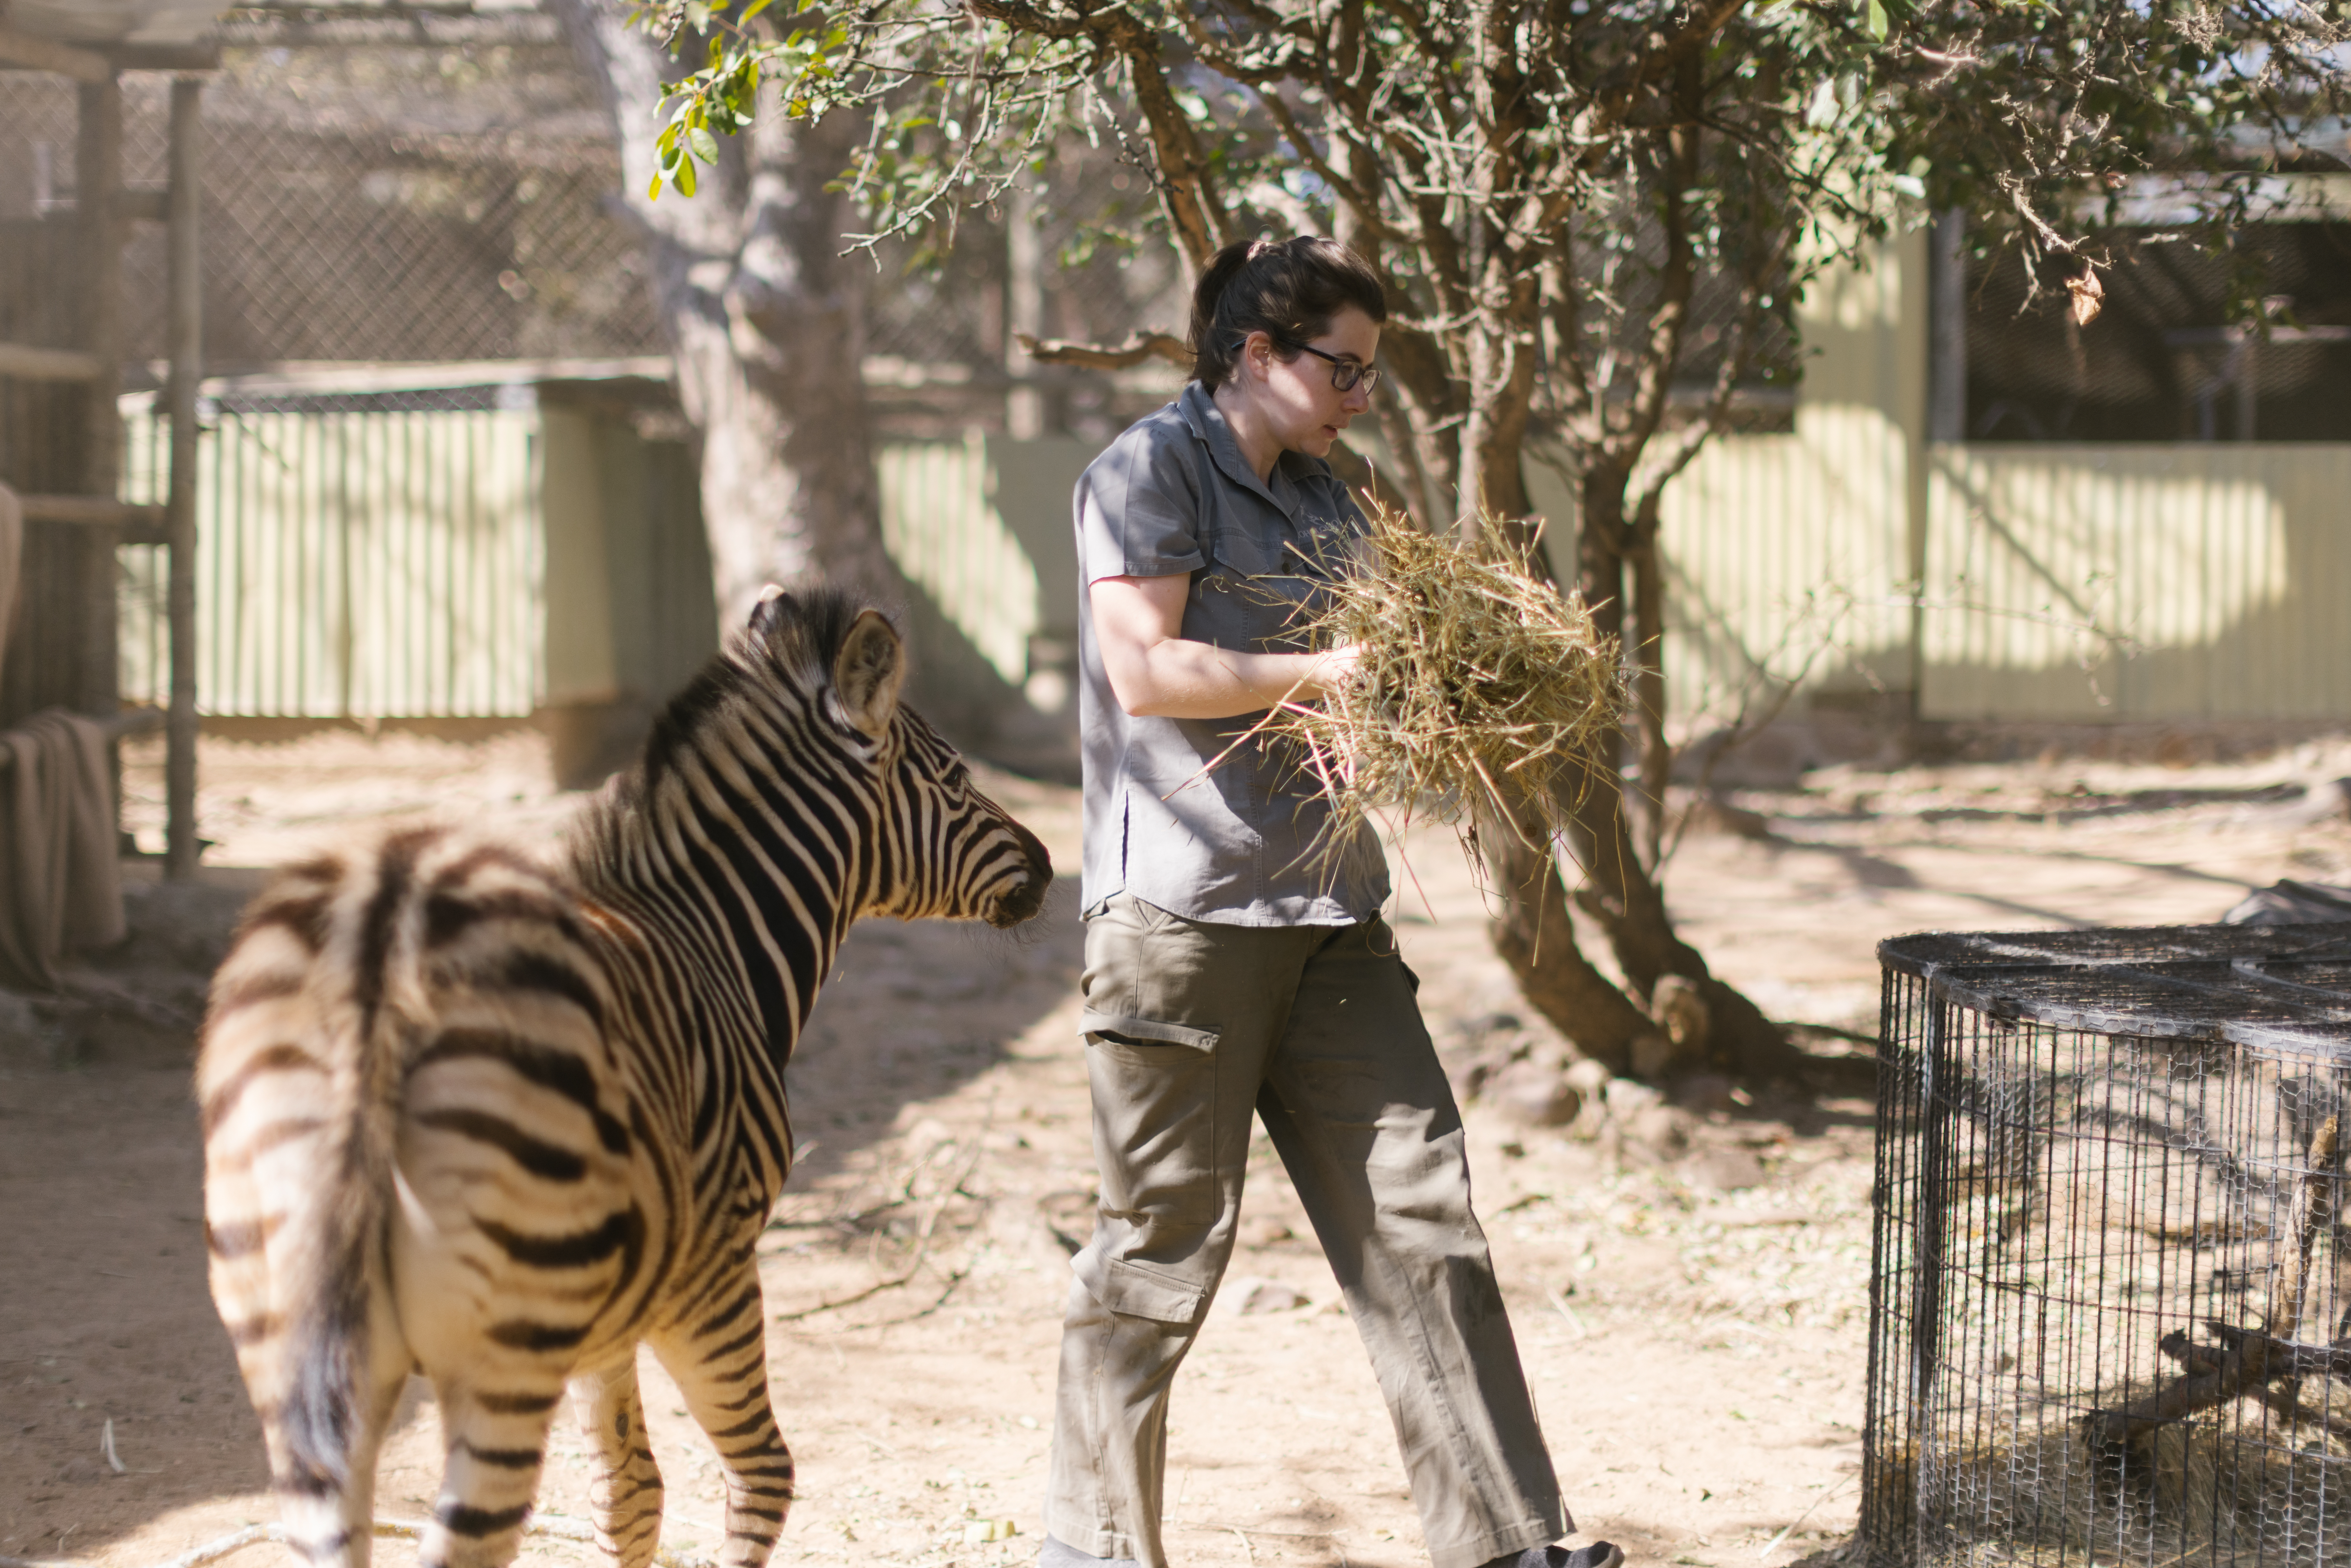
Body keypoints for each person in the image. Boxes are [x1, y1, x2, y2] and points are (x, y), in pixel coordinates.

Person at [1041, 235, 1624, 1568]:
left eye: (1371, 371)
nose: (1364, 392)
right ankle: (1093, 1551)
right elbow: (1150, 670)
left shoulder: (1331, 499)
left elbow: (1336, 701)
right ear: (1257, 352)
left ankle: (1510, 1542)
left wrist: (1406, 718)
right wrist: (1334, 670)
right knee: (1154, 1255)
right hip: (1182, 925)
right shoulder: (1147, 470)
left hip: (1331, 918)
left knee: (1426, 1220)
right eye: (1344, 367)